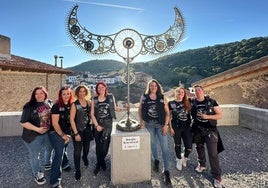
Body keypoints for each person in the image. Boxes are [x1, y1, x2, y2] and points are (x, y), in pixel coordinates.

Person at [138, 79, 171, 185]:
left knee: (165, 148)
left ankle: (166, 171)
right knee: (153, 145)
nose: (153, 87)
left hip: (161, 125)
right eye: (151, 85)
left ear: (158, 87)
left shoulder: (162, 97)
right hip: (149, 125)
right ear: (149, 87)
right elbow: (140, 109)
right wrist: (141, 121)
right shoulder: (144, 97)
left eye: (155, 86)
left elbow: (167, 113)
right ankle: (156, 160)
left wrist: (166, 125)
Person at [191, 85, 224, 188]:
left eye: (199, 90)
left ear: (203, 91)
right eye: (196, 91)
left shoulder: (212, 101)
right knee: (199, 148)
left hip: (210, 130)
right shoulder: (192, 102)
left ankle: (217, 177)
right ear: (194, 93)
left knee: (213, 153)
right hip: (197, 129)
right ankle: (202, 165)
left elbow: (219, 115)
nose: (198, 92)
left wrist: (207, 116)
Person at [20, 86, 53, 185]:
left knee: (49, 148)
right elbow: (23, 122)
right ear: (34, 95)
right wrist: (37, 129)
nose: (39, 95)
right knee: (35, 155)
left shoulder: (49, 103)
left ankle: (47, 163)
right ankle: (37, 173)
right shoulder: (28, 106)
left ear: (45, 94)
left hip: (47, 134)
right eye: (36, 93)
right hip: (33, 135)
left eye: (41, 93)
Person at [91, 81, 120, 176]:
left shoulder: (110, 97)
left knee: (105, 146)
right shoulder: (94, 99)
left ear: (105, 88)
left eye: (102, 87)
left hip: (108, 125)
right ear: (97, 89)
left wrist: (126, 108)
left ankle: (101, 160)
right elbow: (92, 114)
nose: (100, 89)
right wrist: (96, 126)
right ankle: (99, 164)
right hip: (97, 124)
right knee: (98, 145)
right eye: (98, 88)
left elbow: (115, 109)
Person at [48, 86, 74, 188]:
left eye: (68, 93)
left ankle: (64, 164)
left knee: (64, 148)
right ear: (60, 95)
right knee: (59, 154)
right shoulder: (56, 106)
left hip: (67, 131)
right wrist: (63, 135)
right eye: (64, 94)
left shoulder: (72, 105)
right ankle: (55, 180)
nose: (66, 96)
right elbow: (55, 123)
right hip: (55, 132)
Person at [70, 85, 93, 181]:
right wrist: (76, 134)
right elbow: (71, 119)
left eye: (84, 91)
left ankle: (85, 157)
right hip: (78, 131)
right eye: (80, 91)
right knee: (77, 152)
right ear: (77, 93)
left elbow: (91, 115)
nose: (82, 93)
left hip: (87, 130)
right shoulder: (74, 104)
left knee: (87, 149)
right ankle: (78, 170)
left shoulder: (89, 102)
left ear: (86, 92)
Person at [168, 87, 192, 171]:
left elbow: (199, 100)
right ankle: (178, 159)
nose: (180, 93)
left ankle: (184, 157)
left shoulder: (188, 102)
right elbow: (168, 116)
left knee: (189, 147)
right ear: (175, 93)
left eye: (182, 92)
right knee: (177, 145)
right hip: (176, 127)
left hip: (187, 127)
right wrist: (170, 128)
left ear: (184, 94)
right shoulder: (171, 103)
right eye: (178, 92)